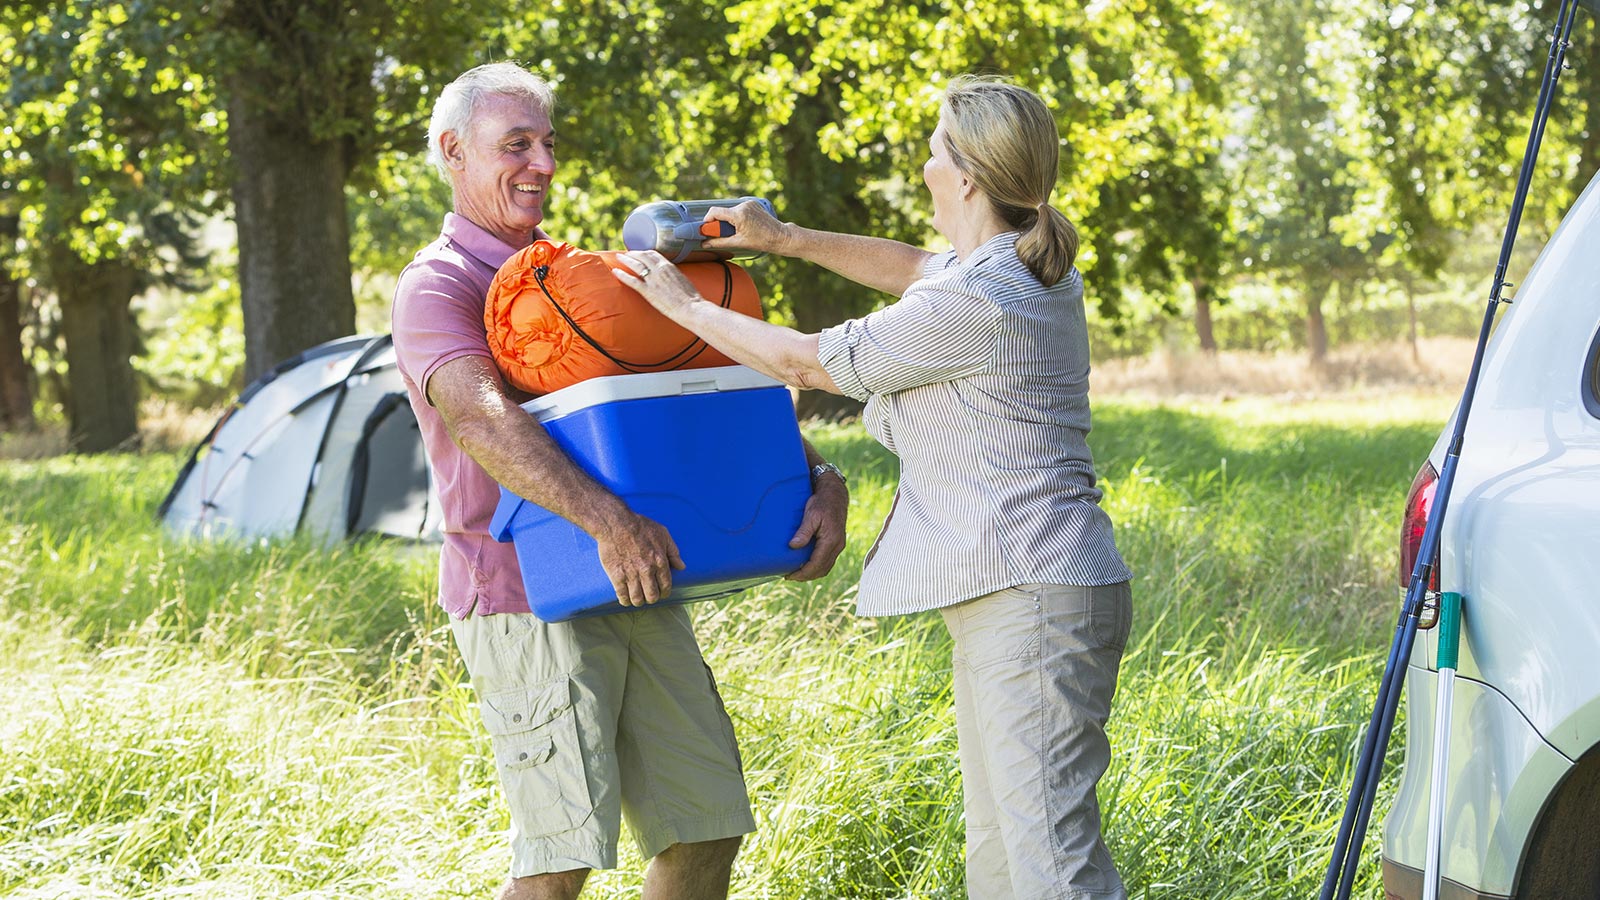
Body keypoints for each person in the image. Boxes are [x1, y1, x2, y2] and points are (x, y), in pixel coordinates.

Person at [616, 75, 1134, 900]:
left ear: (963, 176)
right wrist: (782, 238)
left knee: (1052, 866)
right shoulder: (1015, 267)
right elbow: (912, 267)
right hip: (1021, 588)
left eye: (933, 151)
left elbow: (800, 361)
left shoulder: (982, 299)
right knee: (1002, 857)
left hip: (1030, 592)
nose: (923, 165)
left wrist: (682, 305)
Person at [389, 62, 848, 900]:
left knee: (705, 827)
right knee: (561, 856)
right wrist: (607, 520)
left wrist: (821, 476)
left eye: (548, 144)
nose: (541, 164)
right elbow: (482, 418)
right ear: (454, 151)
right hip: (527, 592)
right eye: (515, 144)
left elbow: (692, 392)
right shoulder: (437, 284)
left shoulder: (576, 279)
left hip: (638, 573)